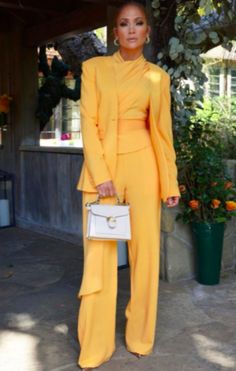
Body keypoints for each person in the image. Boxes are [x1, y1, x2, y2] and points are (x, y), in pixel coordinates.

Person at [76, 1, 180, 370]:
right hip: (102, 167)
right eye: (124, 23)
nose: (132, 29)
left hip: (145, 167)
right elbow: (87, 122)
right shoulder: (93, 69)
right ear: (114, 33)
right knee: (99, 258)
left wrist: (170, 180)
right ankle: (95, 345)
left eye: (138, 23)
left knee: (146, 255)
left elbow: (163, 135)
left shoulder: (159, 78)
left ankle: (140, 336)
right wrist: (101, 172)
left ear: (147, 32)